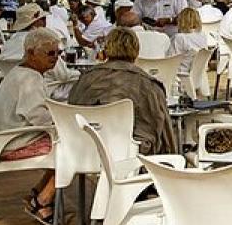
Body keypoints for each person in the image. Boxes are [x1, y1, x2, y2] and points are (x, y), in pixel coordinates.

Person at [0, 27, 61, 225]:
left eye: (58, 53)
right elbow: (38, 117)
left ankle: (39, 193)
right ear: (31, 53)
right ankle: (43, 201)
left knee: (69, 142)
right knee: (73, 149)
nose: (55, 58)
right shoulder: (30, 78)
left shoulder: (20, 71)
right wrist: (64, 121)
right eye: (50, 53)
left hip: (3, 137)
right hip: (13, 142)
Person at [68, 27, 177, 155]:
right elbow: (163, 133)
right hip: (130, 151)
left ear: (106, 49)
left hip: (86, 147)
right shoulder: (148, 85)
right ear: (136, 51)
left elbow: (72, 108)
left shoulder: (85, 80)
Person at [0, 3, 80, 98]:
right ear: (37, 22)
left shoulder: (9, 42)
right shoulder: (43, 42)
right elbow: (63, 75)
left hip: (14, 90)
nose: (45, 22)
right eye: (43, 19)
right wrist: (82, 73)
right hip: (46, 90)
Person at [170, 7, 209, 84]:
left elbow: (170, 60)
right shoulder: (203, 36)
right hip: (198, 75)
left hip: (181, 75)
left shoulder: (179, 38)